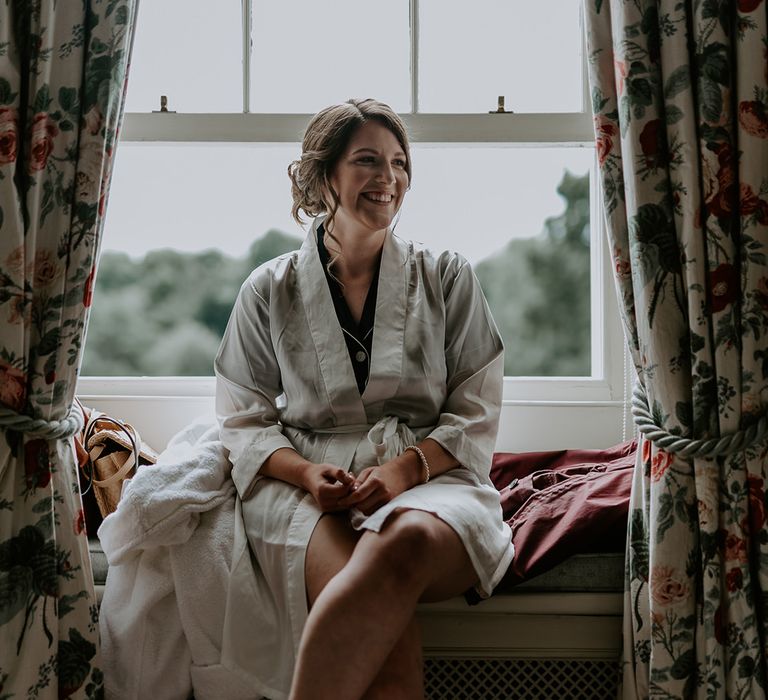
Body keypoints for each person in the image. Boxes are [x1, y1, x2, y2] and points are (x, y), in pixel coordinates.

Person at [214, 98, 514, 700]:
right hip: (307, 490)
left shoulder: (446, 277)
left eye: (399, 163)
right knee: (378, 616)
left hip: (432, 477)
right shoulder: (268, 289)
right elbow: (242, 417)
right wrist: (305, 472)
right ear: (325, 176)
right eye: (368, 161)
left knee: (397, 548)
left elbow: (476, 409)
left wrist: (404, 471)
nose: (389, 179)